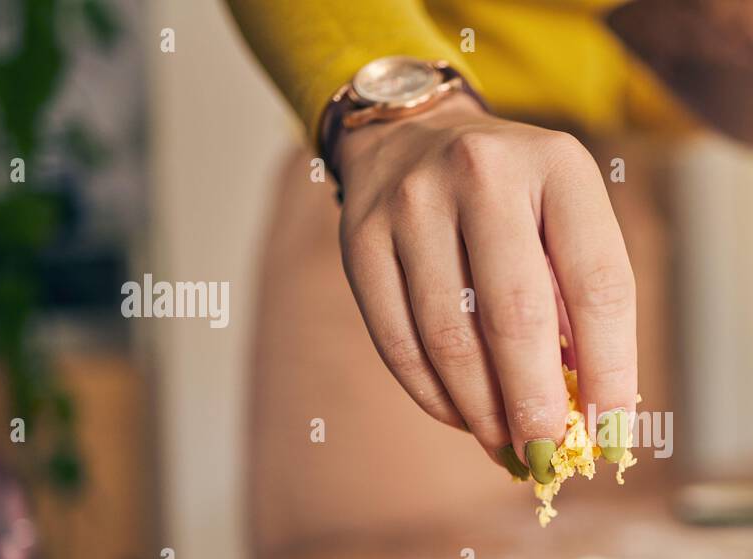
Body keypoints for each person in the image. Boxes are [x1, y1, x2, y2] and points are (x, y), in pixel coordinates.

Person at [226, 1, 700, 485]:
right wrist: (402, 108)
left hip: (621, 179)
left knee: (625, 547)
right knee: (391, 548)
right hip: (413, 185)